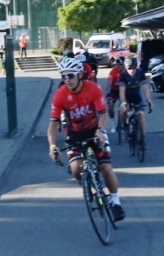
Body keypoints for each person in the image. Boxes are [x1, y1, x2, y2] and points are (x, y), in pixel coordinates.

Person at [47, 57, 125, 221]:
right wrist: (52, 145)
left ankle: (116, 202)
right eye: (63, 76)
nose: (66, 80)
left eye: (70, 75)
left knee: (106, 169)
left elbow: (103, 115)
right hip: (74, 134)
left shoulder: (93, 89)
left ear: (80, 74)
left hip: (94, 131)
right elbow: (53, 125)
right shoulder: (60, 95)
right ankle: (88, 186)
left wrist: (99, 130)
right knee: (75, 169)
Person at [119, 57, 153, 147]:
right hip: (127, 97)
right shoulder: (123, 75)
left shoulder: (141, 72)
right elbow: (121, 91)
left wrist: (148, 100)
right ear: (126, 68)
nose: (132, 70)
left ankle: (142, 138)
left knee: (141, 114)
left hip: (137, 96)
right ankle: (125, 127)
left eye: (134, 68)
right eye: (129, 68)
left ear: (137, 67)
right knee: (124, 111)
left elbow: (145, 88)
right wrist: (123, 103)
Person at [106, 57, 125, 130]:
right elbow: (109, 83)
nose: (122, 66)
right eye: (120, 65)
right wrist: (108, 93)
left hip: (124, 91)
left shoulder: (127, 71)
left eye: (123, 64)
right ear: (117, 65)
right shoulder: (113, 71)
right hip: (114, 91)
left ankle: (124, 121)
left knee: (123, 106)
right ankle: (113, 123)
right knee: (110, 106)